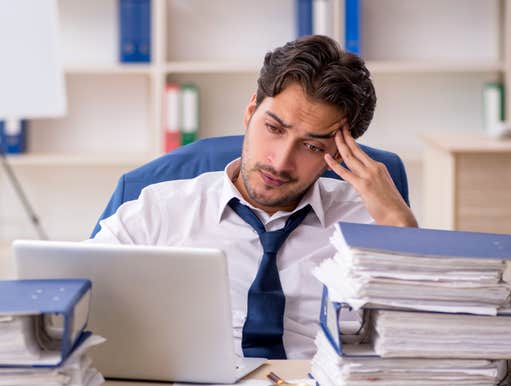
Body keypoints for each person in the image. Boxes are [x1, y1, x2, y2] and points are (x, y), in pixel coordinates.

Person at [89, 35, 417, 359]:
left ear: (341, 153)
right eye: (274, 128)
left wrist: (399, 223)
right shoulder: (158, 211)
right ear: (250, 112)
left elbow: (419, 344)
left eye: (312, 146)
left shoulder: (367, 224)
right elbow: (72, 297)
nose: (281, 161)